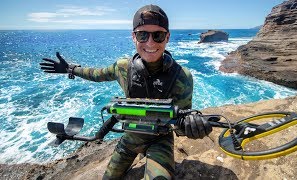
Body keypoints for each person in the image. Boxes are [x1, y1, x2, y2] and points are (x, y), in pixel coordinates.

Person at [40, 4, 212, 179]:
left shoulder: (182, 77)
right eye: (142, 35)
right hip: (130, 138)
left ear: (167, 37)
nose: (150, 43)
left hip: (160, 140)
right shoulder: (123, 68)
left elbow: (180, 124)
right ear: (133, 37)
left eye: (158, 35)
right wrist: (70, 68)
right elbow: (96, 74)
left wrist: (194, 127)